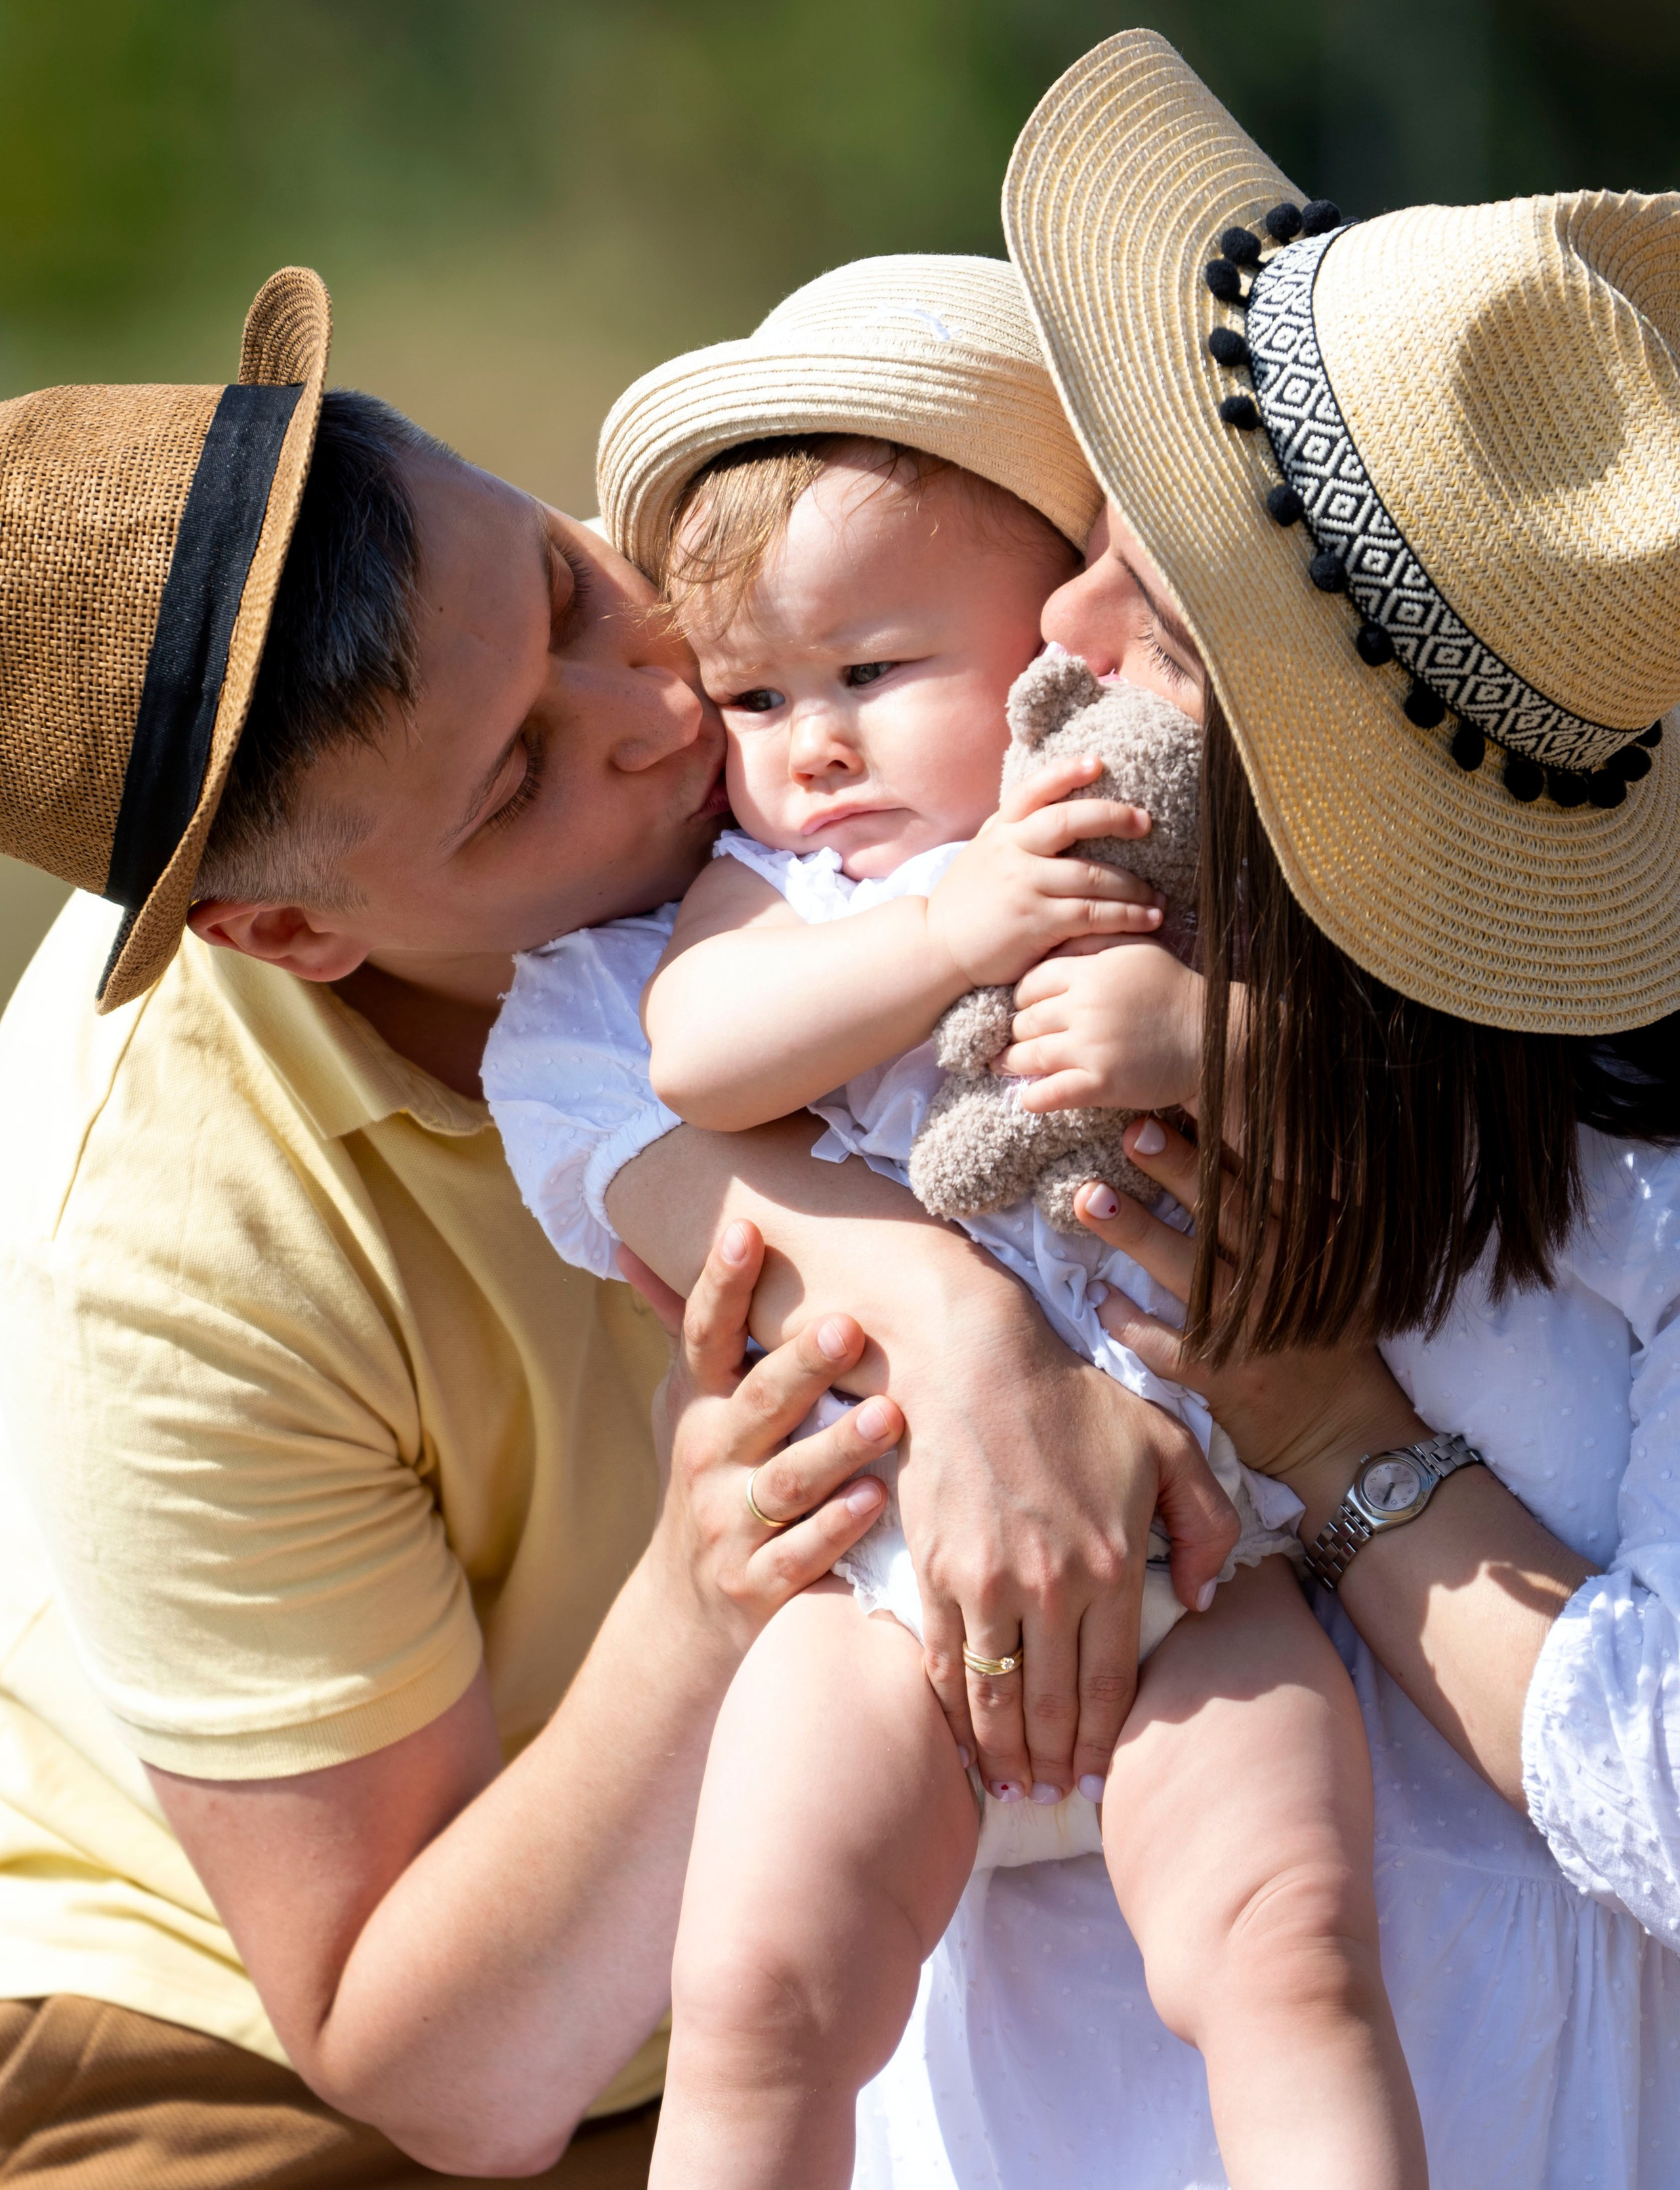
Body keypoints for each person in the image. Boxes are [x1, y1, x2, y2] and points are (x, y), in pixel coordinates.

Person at [0, 263, 1236, 2185]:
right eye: (517, 778)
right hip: (287, 2058)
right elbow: (439, 2068)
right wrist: (702, 1584)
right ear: (288, 931)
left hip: (901, 1885)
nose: (664, 705)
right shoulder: (166, 1248)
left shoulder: (775, 607)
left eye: (565, 585)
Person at [830, 29, 1680, 2188]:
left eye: (1170, 625)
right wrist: (954, 1333)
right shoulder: (983, 906)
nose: (1058, 623)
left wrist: (1331, 1435)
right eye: (1103, 531)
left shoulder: (1634, 1176)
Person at [624, 417, 1420, 2182]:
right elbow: (694, 1055)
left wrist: (1198, 1035)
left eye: (873, 670)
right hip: (886, 1584)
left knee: (1293, 1954)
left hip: (1209, 1546)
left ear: (1047, 641)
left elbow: (1381, 1118)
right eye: (754, 698)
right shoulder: (782, 893)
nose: (816, 743)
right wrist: (945, 936)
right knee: (756, 1997)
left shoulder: (1163, 830)